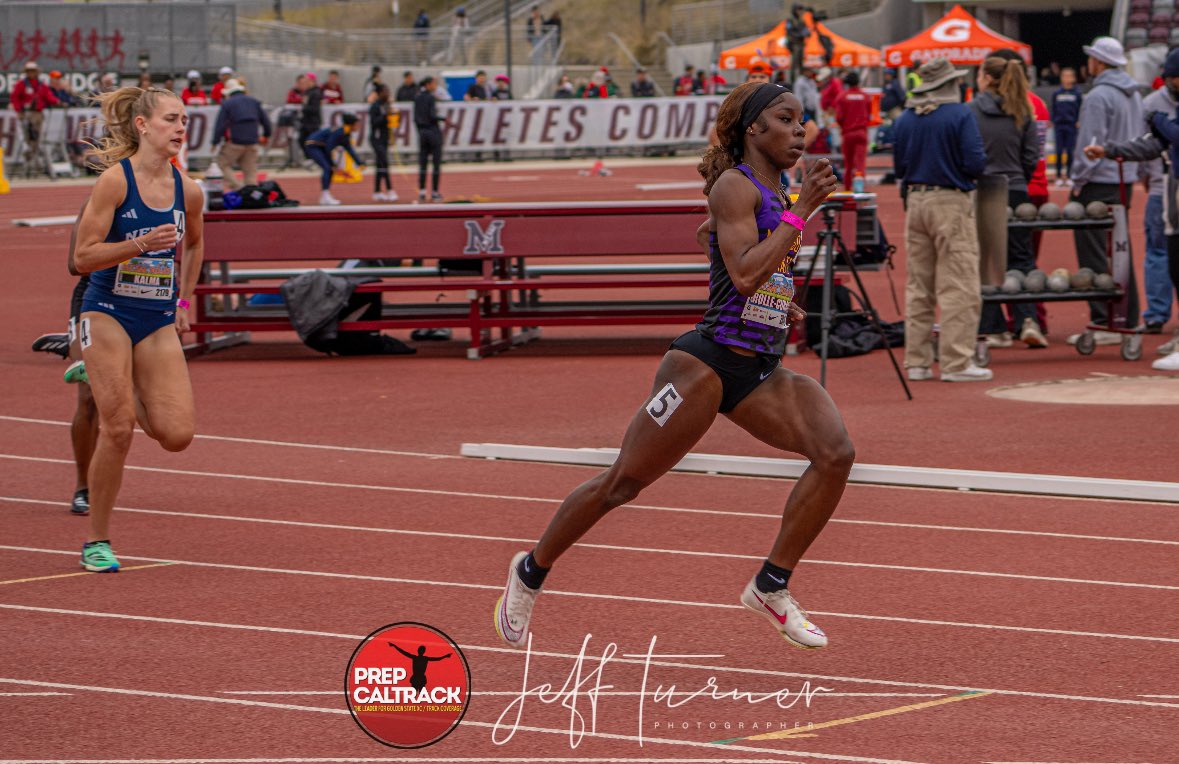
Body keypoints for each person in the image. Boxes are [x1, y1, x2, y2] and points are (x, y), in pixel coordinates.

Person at [494, 82, 849, 652]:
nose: (801, 130)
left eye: (803, 120)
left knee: (835, 454)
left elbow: (752, 263)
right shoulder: (735, 185)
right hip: (704, 367)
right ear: (753, 129)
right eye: (787, 119)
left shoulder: (776, 189)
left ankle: (770, 585)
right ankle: (530, 571)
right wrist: (801, 214)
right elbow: (743, 274)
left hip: (760, 367)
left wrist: (782, 293)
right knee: (622, 484)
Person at [71, 86, 205, 572]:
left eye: (185, 120)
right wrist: (141, 242)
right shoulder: (113, 182)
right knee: (119, 426)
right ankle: (96, 541)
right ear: (143, 126)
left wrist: (184, 300)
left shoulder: (188, 189)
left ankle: (102, 377)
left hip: (155, 316)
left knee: (177, 434)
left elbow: (194, 245)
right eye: (172, 119)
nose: (181, 128)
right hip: (106, 307)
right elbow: (82, 257)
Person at [892, 58, 990, 382]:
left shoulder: (906, 117)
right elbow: (975, 162)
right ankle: (956, 362)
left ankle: (917, 361)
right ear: (949, 82)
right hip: (950, 200)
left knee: (919, 285)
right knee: (958, 282)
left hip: (916, 200)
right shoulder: (960, 113)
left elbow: (900, 166)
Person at [1085, 48, 1179, 370]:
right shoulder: (1157, 106)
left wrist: (1163, 124)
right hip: (1169, 191)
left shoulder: (1161, 113)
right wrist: (1110, 150)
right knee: (1171, 260)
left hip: (1168, 190)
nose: (1173, 83)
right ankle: (1166, 324)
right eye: (1170, 78)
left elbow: (1169, 136)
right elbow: (1151, 144)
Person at [1069, 36, 1143, 344]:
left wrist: (1077, 181)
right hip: (1124, 179)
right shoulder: (1134, 94)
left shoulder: (1098, 96)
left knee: (1093, 252)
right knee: (1122, 250)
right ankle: (1128, 316)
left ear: (1098, 62)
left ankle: (1103, 319)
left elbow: (1090, 143)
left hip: (1098, 180)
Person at [970, 56, 1044, 349]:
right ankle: (1028, 320)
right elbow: (1032, 156)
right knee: (1022, 258)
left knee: (986, 261)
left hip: (985, 189)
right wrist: (1018, 179)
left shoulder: (972, 110)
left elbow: (969, 152)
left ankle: (993, 327)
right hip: (1016, 188)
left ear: (987, 78)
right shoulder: (1023, 109)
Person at [211, 79, 272, 190]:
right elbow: (266, 122)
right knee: (250, 171)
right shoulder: (254, 102)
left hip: (235, 142)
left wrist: (215, 142)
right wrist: (266, 135)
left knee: (221, 165)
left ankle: (239, 188)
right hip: (252, 142)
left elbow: (220, 125)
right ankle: (251, 194)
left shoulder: (228, 104)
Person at [304, 112, 365, 206]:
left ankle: (325, 196)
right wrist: (333, 165)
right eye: (357, 124)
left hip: (321, 147)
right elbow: (328, 147)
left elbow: (350, 150)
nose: (358, 126)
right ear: (351, 124)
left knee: (330, 169)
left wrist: (360, 163)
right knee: (328, 168)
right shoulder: (339, 132)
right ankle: (325, 196)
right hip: (313, 145)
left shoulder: (345, 134)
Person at [11, 62, 60, 168]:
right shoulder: (21, 84)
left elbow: (48, 96)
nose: (31, 73)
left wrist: (58, 102)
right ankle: (28, 155)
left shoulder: (41, 85)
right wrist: (18, 110)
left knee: (36, 137)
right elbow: (15, 98)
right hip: (25, 114)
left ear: (36, 72)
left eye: (33, 71)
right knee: (27, 136)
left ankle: (33, 158)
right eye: (29, 71)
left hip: (38, 114)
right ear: (26, 72)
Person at [833, 71, 870, 189]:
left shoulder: (842, 97)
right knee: (860, 165)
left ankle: (848, 191)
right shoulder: (865, 96)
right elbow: (868, 115)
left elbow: (839, 117)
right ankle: (860, 191)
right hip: (861, 133)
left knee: (848, 165)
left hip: (848, 133)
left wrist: (844, 126)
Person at [414, 76, 445, 202]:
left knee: (423, 164)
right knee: (436, 164)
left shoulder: (417, 97)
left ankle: (422, 191)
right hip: (433, 133)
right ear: (428, 85)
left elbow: (415, 118)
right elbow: (432, 116)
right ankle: (434, 192)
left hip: (422, 133)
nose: (435, 86)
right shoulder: (430, 98)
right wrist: (442, 119)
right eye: (434, 84)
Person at [1050, 68, 1082, 185]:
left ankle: (1069, 175)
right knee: (1058, 151)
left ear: (1073, 78)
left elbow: (1080, 109)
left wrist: (1079, 120)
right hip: (1059, 125)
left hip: (1071, 126)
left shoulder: (1077, 93)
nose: (1067, 78)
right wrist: (1052, 120)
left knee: (1070, 151)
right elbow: (1053, 108)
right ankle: (1058, 175)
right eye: (1064, 76)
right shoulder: (1057, 93)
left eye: (1069, 76)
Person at [369, 84, 397, 201]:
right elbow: (374, 122)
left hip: (384, 138)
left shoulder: (386, 105)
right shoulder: (375, 106)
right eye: (385, 91)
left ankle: (377, 191)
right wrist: (386, 115)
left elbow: (389, 123)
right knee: (384, 163)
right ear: (379, 93)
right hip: (376, 139)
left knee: (380, 164)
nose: (387, 93)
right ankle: (390, 190)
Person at [300, 73, 324, 159]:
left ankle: (315, 158)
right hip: (306, 121)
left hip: (312, 122)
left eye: (306, 80)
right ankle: (309, 157)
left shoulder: (316, 92)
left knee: (312, 142)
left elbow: (314, 108)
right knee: (302, 140)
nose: (305, 83)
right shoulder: (307, 92)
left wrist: (303, 109)